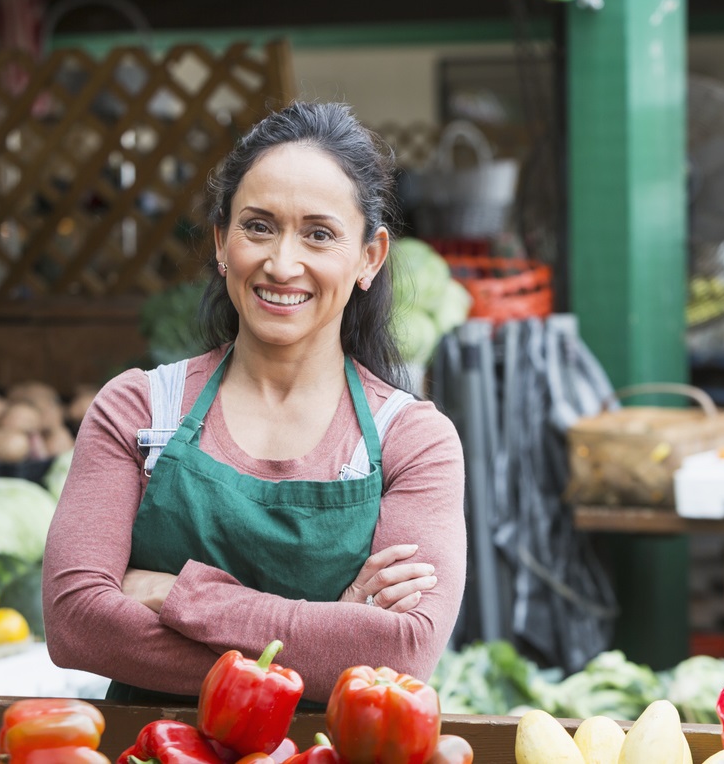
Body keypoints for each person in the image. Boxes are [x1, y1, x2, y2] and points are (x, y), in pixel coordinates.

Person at [42, 101, 467, 705]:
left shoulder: (413, 441)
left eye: (319, 234)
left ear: (369, 257)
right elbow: (76, 623)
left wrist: (176, 596)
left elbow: (400, 653)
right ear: (222, 241)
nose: (282, 263)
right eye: (258, 226)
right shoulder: (137, 410)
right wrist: (328, 630)